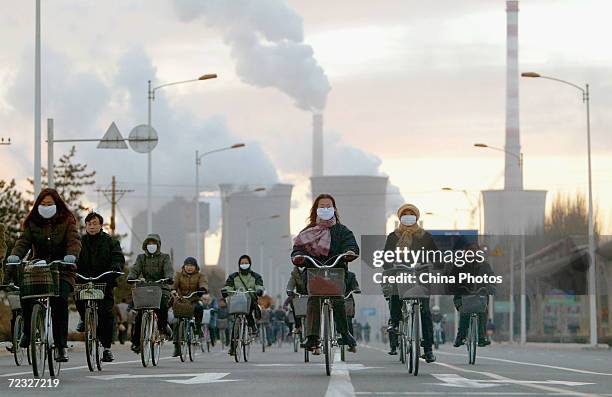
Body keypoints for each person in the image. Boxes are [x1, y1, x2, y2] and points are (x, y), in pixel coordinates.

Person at [7, 188, 81, 362]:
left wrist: (71, 256)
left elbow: (74, 241)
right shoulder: (32, 222)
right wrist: (16, 255)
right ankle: (28, 331)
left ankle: (61, 346)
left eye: (50, 204)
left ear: (57, 204)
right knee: (26, 295)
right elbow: (23, 242)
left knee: (60, 301)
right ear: (38, 205)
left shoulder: (67, 221)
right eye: (43, 204)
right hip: (39, 268)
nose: (46, 206)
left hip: (62, 268)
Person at [291, 193, 359, 354]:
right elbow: (297, 249)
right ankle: (312, 337)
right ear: (316, 210)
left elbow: (352, 245)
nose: (325, 209)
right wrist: (298, 258)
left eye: (328, 206)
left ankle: (344, 333)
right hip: (315, 272)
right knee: (313, 299)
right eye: (322, 206)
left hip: (336, 272)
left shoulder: (342, 230)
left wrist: (349, 252)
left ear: (334, 209)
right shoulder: (307, 231)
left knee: (338, 299)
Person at [382, 203, 437, 362]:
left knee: (425, 312)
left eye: (411, 214)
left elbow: (435, 254)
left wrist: (435, 263)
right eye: (405, 214)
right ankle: (395, 324)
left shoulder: (425, 236)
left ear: (416, 217)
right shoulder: (393, 236)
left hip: (421, 275)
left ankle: (428, 349)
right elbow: (386, 257)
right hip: (400, 273)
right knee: (395, 297)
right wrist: (389, 265)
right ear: (400, 217)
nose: (408, 216)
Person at [74, 212, 125, 362]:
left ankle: (106, 348)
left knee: (106, 314)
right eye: (88, 224)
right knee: (78, 297)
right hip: (84, 280)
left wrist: (115, 268)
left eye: (94, 223)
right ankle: (84, 318)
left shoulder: (110, 242)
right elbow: (73, 256)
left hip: (104, 281)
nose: (91, 226)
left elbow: (117, 257)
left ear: (101, 225)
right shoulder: (80, 241)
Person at [128, 233, 174, 354]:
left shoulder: (165, 257)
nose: (151, 245)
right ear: (145, 245)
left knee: (163, 305)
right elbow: (135, 269)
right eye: (149, 243)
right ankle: (136, 342)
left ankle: (163, 327)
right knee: (139, 314)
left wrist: (169, 278)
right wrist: (131, 277)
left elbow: (169, 270)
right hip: (146, 287)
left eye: (154, 243)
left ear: (158, 245)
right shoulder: (141, 258)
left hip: (161, 287)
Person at [450, 239, 496, 348]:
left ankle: (481, 338)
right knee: (464, 312)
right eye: (470, 251)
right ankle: (460, 337)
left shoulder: (484, 265)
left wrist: (491, 286)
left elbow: (491, 277)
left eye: (475, 251)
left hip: (480, 296)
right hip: (463, 297)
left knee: (483, 312)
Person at [221, 254, 265, 356]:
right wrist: (226, 291)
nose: (244, 264)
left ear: (249, 264)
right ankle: (232, 347)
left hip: (250, 299)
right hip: (237, 300)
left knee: (249, 311)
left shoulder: (256, 276)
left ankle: (252, 326)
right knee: (235, 323)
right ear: (239, 264)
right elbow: (228, 286)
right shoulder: (233, 276)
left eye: (246, 263)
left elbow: (260, 286)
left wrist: (258, 290)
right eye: (242, 263)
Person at [171, 256, 208, 357]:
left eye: (192, 265)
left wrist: (202, 289)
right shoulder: (178, 275)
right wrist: (173, 289)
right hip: (182, 300)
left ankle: (197, 327)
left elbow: (203, 283)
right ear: (184, 266)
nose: (189, 267)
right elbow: (174, 284)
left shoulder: (200, 276)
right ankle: (177, 347)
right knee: (176, 321)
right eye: (187, 265)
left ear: (195, 267)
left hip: (194, 299)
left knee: (199, 308)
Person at [339, 270, 360, 352]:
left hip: (346, 299)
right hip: (332, 298)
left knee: (348, 320)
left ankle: (351, 343)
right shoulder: (328, 273)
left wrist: (355, 288)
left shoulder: (351, 275)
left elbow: (355, 285)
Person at [285, 263, 308, 335]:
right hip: (300, 295)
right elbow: (291, 283)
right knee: (294, 304)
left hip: (312, 294)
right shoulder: (295, 274)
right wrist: (289, 290)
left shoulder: (312, 270)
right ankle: (298, 326)